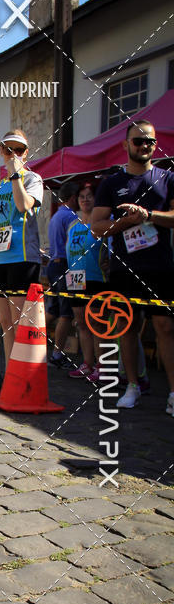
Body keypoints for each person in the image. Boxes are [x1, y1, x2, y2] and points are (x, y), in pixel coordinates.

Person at [92, 119, 174, 413]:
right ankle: (132, 386)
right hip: (124, 267)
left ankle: (173, 393)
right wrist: (125, 222)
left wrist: (148, 215)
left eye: (149, 141)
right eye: (138, 141)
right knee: (127, 327)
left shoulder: (167, 178)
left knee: (165, 326)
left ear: (155, 145)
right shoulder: (112, 183)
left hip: (160, 266)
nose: (144, 146)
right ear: (125, 145)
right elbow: (97, 226)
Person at [0, 129, 45, 396]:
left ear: (26, 153)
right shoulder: (0, 186)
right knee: (6, 322)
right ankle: (9, 377)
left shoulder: (32, 178)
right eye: (8, 149)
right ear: (1, 151)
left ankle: (23, 381)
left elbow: (23, 206)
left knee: (20, 323)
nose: (13, 154)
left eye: (18, 150)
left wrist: (16, 173)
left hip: (22, 258)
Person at [64, 184, 107, 381]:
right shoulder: (73, 225)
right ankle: (87, 363)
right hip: (75, 278)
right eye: (81, 196)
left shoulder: (102, 223)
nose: (85, 199)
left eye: (89, 196)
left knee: (97, 324)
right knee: (81, 323)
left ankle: (102, 366)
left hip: (96, 278)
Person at [46, 182, 78, 368]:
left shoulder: (57, 215)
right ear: (73, 198)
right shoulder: (71, 217)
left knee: (54, 310)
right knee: (66, 313)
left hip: (53, 265)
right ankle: (57, 355)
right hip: (65, 265)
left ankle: (31, 339)